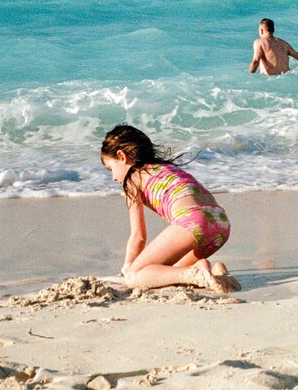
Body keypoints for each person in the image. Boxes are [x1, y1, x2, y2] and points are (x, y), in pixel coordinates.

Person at [100, 124, 238, 293]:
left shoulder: (132, 178)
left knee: (135, 276)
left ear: (121, 156)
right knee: (165, 275)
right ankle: (215, 273)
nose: (113, 177)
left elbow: (138, 237)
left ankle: (197, 272)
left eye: (110, 169)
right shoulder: (166, 168)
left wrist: (128, 269)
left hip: (193, 221)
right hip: (220, 224)